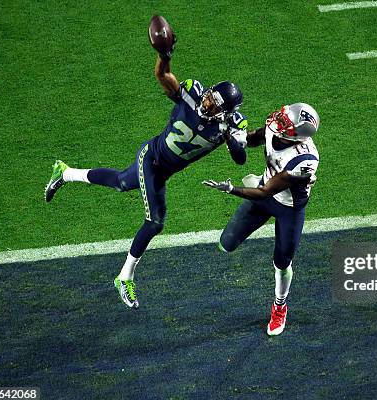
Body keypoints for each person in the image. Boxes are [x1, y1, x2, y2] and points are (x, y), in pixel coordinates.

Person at [44, 41, 248, 310]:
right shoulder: (192, 93)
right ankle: (124, 276)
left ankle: (66, 173)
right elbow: (163, 76)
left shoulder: (233, 124)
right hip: (151, 157)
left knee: (120, 182)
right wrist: (164, 56)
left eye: (214, 104)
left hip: (164, 171)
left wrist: (232, 139)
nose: (207, 102)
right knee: (154, 222)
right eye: (210, 96)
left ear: (225, 111)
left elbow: (240, 159)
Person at [203, 103, 320, 336]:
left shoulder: (305, 159)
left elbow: (266, 192)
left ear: (296, 135)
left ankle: (280, 306)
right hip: (264, 190)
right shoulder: (274, 130)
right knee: (226, 243)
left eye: (285, 122)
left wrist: (230, 189)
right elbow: (252, 140)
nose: (278, 121)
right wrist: (229, 135)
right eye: (282, 117)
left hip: (287, 207)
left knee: (282, 262)